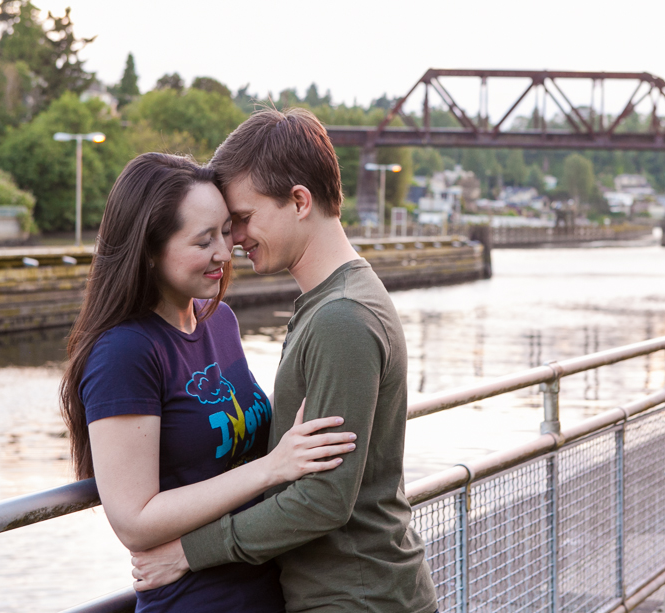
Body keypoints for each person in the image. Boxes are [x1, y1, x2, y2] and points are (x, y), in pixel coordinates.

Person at [131, 109, 439, 613]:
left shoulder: (341, 318)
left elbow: (323, 500)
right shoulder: (335, 301)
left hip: (357, 598)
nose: (233, 242)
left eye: (243, 220)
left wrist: (187, 553)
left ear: (299, 201)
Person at [59, 153, 358, 613]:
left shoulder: (220, 321)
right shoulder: (125, 352)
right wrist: (272, 467)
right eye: (203, 241)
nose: (225, 250)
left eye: (225, 230)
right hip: (196, 599)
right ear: (149, 250)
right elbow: (134, 521)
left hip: (273, 588)